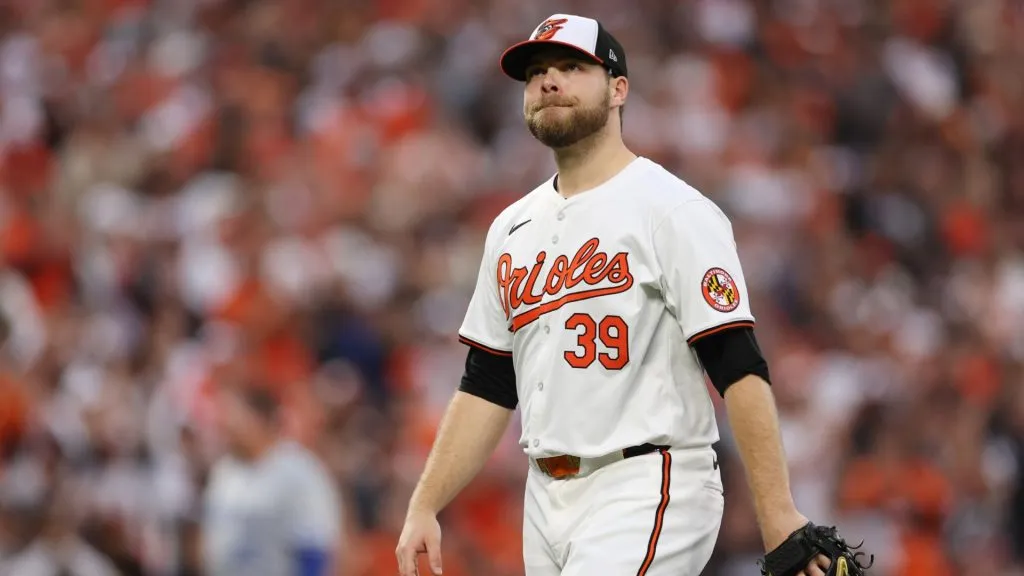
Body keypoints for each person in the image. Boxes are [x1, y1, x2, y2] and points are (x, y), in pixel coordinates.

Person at [396, 13, 842, 576]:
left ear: (618, 89)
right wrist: (425, 503)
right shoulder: (511, 228)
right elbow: (487, 381)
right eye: (536, 73)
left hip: (647, 479)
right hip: (545, 497)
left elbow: (737, 364)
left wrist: (777, 516)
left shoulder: (671, 209)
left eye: (572, 67)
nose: (549, 81)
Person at [201, 383, 341, 576]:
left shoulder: (299, 470)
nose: (225, 425)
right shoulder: (224, 471)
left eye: (235, 416)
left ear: (260, 419)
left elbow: (315, 549)